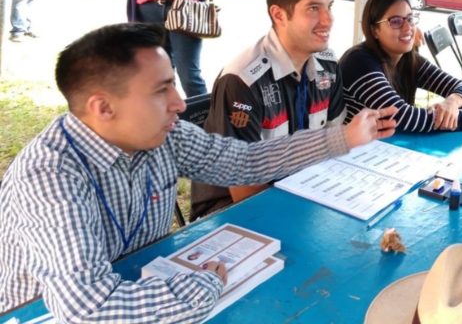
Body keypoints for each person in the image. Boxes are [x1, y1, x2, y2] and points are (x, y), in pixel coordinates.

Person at [0, 22, 396, 320]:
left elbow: (244, 161)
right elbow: (89, 309)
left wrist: (341, 138)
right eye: (161, 90)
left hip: (145, 279)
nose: (179, 102)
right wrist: (205, 284)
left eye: (173, 84)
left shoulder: (161, 135)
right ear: (102, 108)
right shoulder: (50, 177)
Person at [191, 0, 350, 220]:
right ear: (278, 15)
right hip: (232, 214)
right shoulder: (242, 81)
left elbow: (333, 147)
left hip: (302, 196)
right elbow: (243, 191)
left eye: (329, 7)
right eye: (313, 8)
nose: (327, 20)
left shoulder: (329, 67)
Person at [340, 0, 462, 133]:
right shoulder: (359, 62)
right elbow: (401, 117)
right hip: (353, 157)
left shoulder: (408, 59)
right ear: (374, 30)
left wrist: (452, 102)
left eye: (410, 19)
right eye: (396, 21)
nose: (408, 28)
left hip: (388, 147)